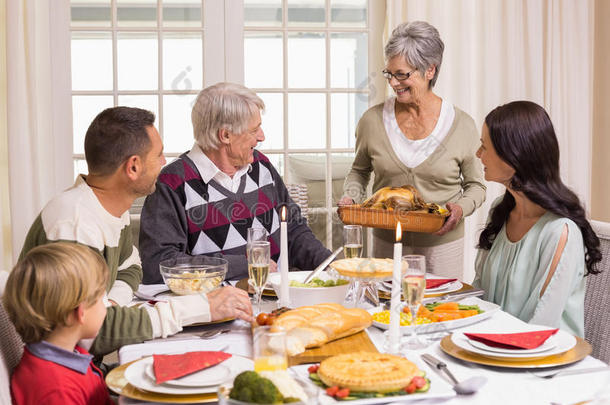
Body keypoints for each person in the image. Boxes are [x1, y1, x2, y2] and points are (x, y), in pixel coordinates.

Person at [18, 107, 253, 356]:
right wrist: (201, 308)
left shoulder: (108, 208)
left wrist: (110, 304)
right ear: (133, 167)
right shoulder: (75, 225)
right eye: (159, 155)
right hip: (63, 374)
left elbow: (131, 268)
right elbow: (92, 333)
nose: (164, 163)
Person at [139, 82, 331, 284]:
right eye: (254, 130)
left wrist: (330, 266)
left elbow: (293, 230)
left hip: (279, 300)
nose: (261, 137)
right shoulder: (172, 183)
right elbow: (158, 264)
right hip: (215, 310)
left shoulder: (261, 166)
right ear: (226, 135)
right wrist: (242, 264)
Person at [338, 21, 485, 278]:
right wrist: (351, 197)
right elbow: (359, 172)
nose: (394, 83)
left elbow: (476, 186)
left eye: (402, 74)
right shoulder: (372, 121)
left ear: (430, 70)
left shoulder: (462, 124)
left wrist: (460, 208)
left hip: (443, 246)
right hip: (386, 243)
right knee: (386, 310)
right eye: (389, 74)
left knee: (438, 313)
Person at [473, 101, 602, 337]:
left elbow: (540, 326)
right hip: (490, 348)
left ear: (512, 154)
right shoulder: (498, 213)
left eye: (484, 147)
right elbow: (478, 294)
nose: (478, 154)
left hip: (542, 362)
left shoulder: (559, 231)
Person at [4, 243, 114, 404]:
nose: (105, 306)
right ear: (80, 312)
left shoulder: (70, 355)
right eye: (100, 299)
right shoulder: (57, 391)